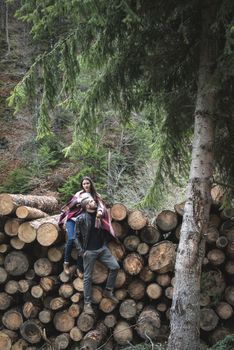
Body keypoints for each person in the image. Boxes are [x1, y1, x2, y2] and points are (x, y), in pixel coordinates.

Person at [74, 196, 120, 315]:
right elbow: (76, 237)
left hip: (102, 249)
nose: (94, 202)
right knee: (87, 277)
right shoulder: (81, 218)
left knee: (115, 267)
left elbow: (105, 229)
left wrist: (104, 244)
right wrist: (82, 251)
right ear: (86, 206)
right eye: (91, 201)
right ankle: (87, 304)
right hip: (89, 252)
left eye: (93, 201)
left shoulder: (100, 215)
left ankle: (108, 291)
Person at [59, 176, 106, 275]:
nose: (86, 185)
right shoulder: (79, 194)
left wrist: (99, 212)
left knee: (82, 242)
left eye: (87, 183)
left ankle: (79, 268)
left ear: (91, 184)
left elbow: (101, 206)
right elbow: (70, 205)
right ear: (82, 185)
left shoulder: (95, 195)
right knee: (71, 239)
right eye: (84, 184)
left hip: (83, 221)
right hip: (72, 219)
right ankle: (66, 263)